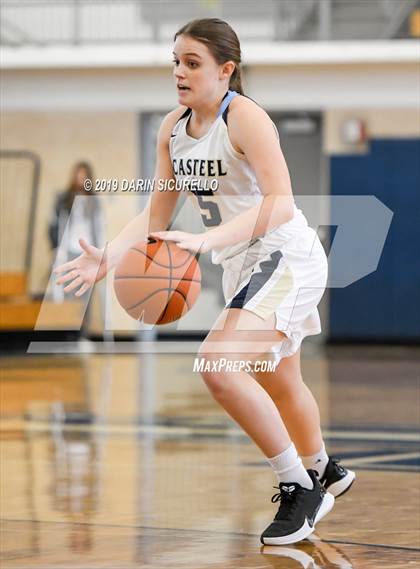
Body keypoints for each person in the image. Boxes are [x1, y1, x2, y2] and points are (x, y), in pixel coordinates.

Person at [54, 19, 355, 545]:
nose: (179, 72)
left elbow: (280, 202)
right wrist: (109, 254)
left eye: (192, 62)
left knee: (217, 365)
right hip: (247, 264)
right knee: (279, 381)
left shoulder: (246, 118)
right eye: (176, 61)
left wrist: (209, 242)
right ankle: (324, 468)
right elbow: (157, 211)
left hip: (285, 257)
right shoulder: (172, 128)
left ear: (226, 70)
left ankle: (299, 485)